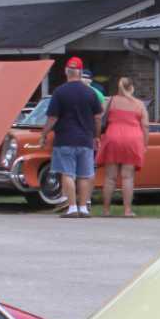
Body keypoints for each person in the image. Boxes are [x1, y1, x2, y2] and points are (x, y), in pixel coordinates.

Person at [45, 57, 101, 217]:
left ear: (66, 71)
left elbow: (52, 118)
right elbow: (98, 117)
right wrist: (96, 136)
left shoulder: (59, 92)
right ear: (81, 72)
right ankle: (83, 208)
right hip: (85, 139)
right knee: (84, 174)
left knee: (67, 173)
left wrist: (44, 134)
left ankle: (72, 208)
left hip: (65, 139)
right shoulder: (90, 93)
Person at [97, 77, 148, 217]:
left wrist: (97, 136)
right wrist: (145, 143)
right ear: (132, 88)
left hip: (112, 138)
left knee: (109, 178)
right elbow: (145, 125)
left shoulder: (109, 101)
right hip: (132, 140)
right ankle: (127, 210)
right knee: (127, 177)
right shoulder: (139, 104)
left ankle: (106, 210)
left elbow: (99, 119)